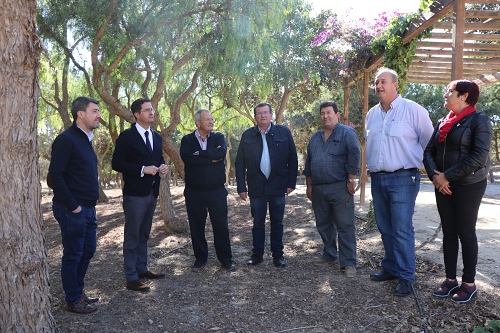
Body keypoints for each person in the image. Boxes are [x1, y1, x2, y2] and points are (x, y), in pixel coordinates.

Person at [364, 67, 434, 296]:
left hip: (404, 177)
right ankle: (391, 267)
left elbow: (429, 142)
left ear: (395, 85)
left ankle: (406, 276)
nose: (379, 86)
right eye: (376, 83)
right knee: (385, 227)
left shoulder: (413, 110)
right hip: (378, 178)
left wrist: (432, 172)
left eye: (383, 82)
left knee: (402, 228)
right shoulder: (372, 114)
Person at [423, 80, 492, 303]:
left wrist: (447, 176)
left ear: (463, 96)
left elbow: (479, 157)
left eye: (449, 91)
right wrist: (435, 176)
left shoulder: (479, 120)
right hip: (442, 184)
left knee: (466, 231)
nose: (445, 94)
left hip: (469, 184)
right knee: (449, 232)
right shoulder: (442, 122)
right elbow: (429, 151)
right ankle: (450, 279)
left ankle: (469, 283)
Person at [49, 96, 101, 314]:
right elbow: (54, 176)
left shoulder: (86, 139)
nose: (99, 115)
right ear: (81, 113)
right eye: (95, 111)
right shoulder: (66, 139)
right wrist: (73, 206)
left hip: (88, 207)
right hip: (72, 208)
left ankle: (78, 292)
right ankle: (72, 299)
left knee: (88, 251)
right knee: (74, 253)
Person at [112, 98, 168, 293]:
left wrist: (163, 167)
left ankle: (142, 269)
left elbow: (158, 158)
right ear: (137, 114)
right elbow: (116, 163)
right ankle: (131, 277)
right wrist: (143, 169)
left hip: (152, 192)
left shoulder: (157, 137)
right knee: (132, 236)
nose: (151, 113)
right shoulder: (126, 137)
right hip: (135, 195)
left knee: (144, 234)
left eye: (152, 109)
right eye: (147, 110)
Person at [235, 102, 298, 267]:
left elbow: (293, 158)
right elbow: (240, 163)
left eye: (265, 113)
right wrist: (241, 187)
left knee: (277, 223)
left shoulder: (283, 132)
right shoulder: (247, 135)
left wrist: (291, 182)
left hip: (278, 185)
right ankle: (257, 255)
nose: (262, 116)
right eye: (259, 113)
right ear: (255, 117)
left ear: (271, 115)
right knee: (257, 223)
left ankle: (278, 255)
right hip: (257, 187)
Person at [303, 101, 360, 278]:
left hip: (340, 187)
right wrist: (309, 185)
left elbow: (355, 153)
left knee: (345, 225)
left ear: (337, 114)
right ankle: (329, 254)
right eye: (322, 113)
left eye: (328, 112)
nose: (325, 116)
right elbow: (309, 163)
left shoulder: (347, 133)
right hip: (319, 189)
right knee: (323, 224)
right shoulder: (315, 137)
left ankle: (349, 262)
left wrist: (351, 178)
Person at [179, 109, 235, 271]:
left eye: (212, 119)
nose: (211, 122)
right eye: (207, 120)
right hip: (194, 192)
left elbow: (221, 152)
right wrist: (211, 159)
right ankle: (200, 259)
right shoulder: (187, 140)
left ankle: (226, 259)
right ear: (198, 123)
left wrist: (200, 155)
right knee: (197, 227)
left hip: (217, 191)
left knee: (221, 227)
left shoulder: (219, 137)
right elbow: (187, 159)